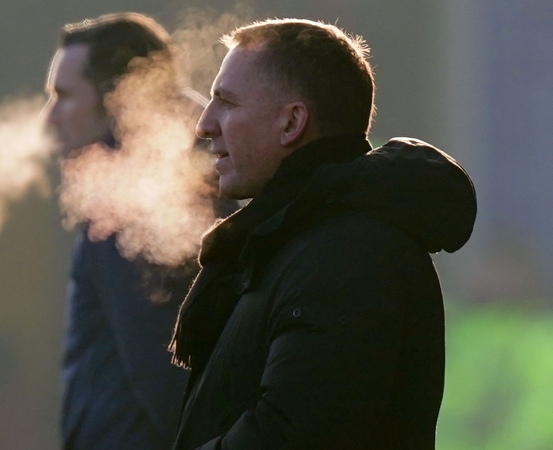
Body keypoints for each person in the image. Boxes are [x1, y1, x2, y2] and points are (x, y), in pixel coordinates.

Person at [168, 19, 477, 449]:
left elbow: (293, 435)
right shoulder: (295, 240)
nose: (205, 124)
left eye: (228, 103)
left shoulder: (349, 256)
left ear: (292, 122)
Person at [43, 13, 216, 450]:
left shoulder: (134, 202)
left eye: (63, 96)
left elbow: (162, 375)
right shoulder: (155, 184)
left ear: (117, 97)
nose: (49, 119)